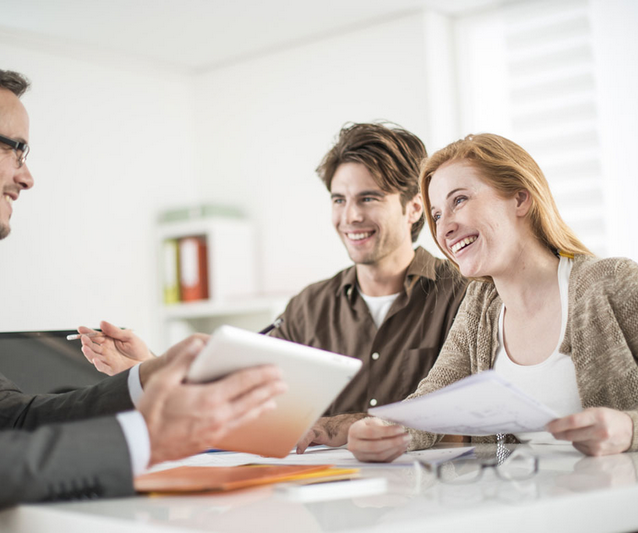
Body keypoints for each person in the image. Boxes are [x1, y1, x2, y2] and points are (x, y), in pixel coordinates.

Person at [0, 51, 286, 532]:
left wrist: (148, 377)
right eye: (13, 147)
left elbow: (11, 418)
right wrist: (144, 439)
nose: (26, 176)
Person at [78, 123, 468, 453]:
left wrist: (331, 428)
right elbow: (246, 389)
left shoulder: (462, 294)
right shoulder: (310, 305)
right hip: (328, 500)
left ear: (414, 207)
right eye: (339, 199)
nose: (350, 216)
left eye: (368, 198)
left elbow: (463, 419)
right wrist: (151, 365)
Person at [346, 133, 638, 462]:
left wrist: (634, 430)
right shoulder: (480, 306)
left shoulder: (614, 284)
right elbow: (429, 403)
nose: (444, 227)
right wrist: (383, 432)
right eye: (437, 214)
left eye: (460, 200)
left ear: (520, 198)